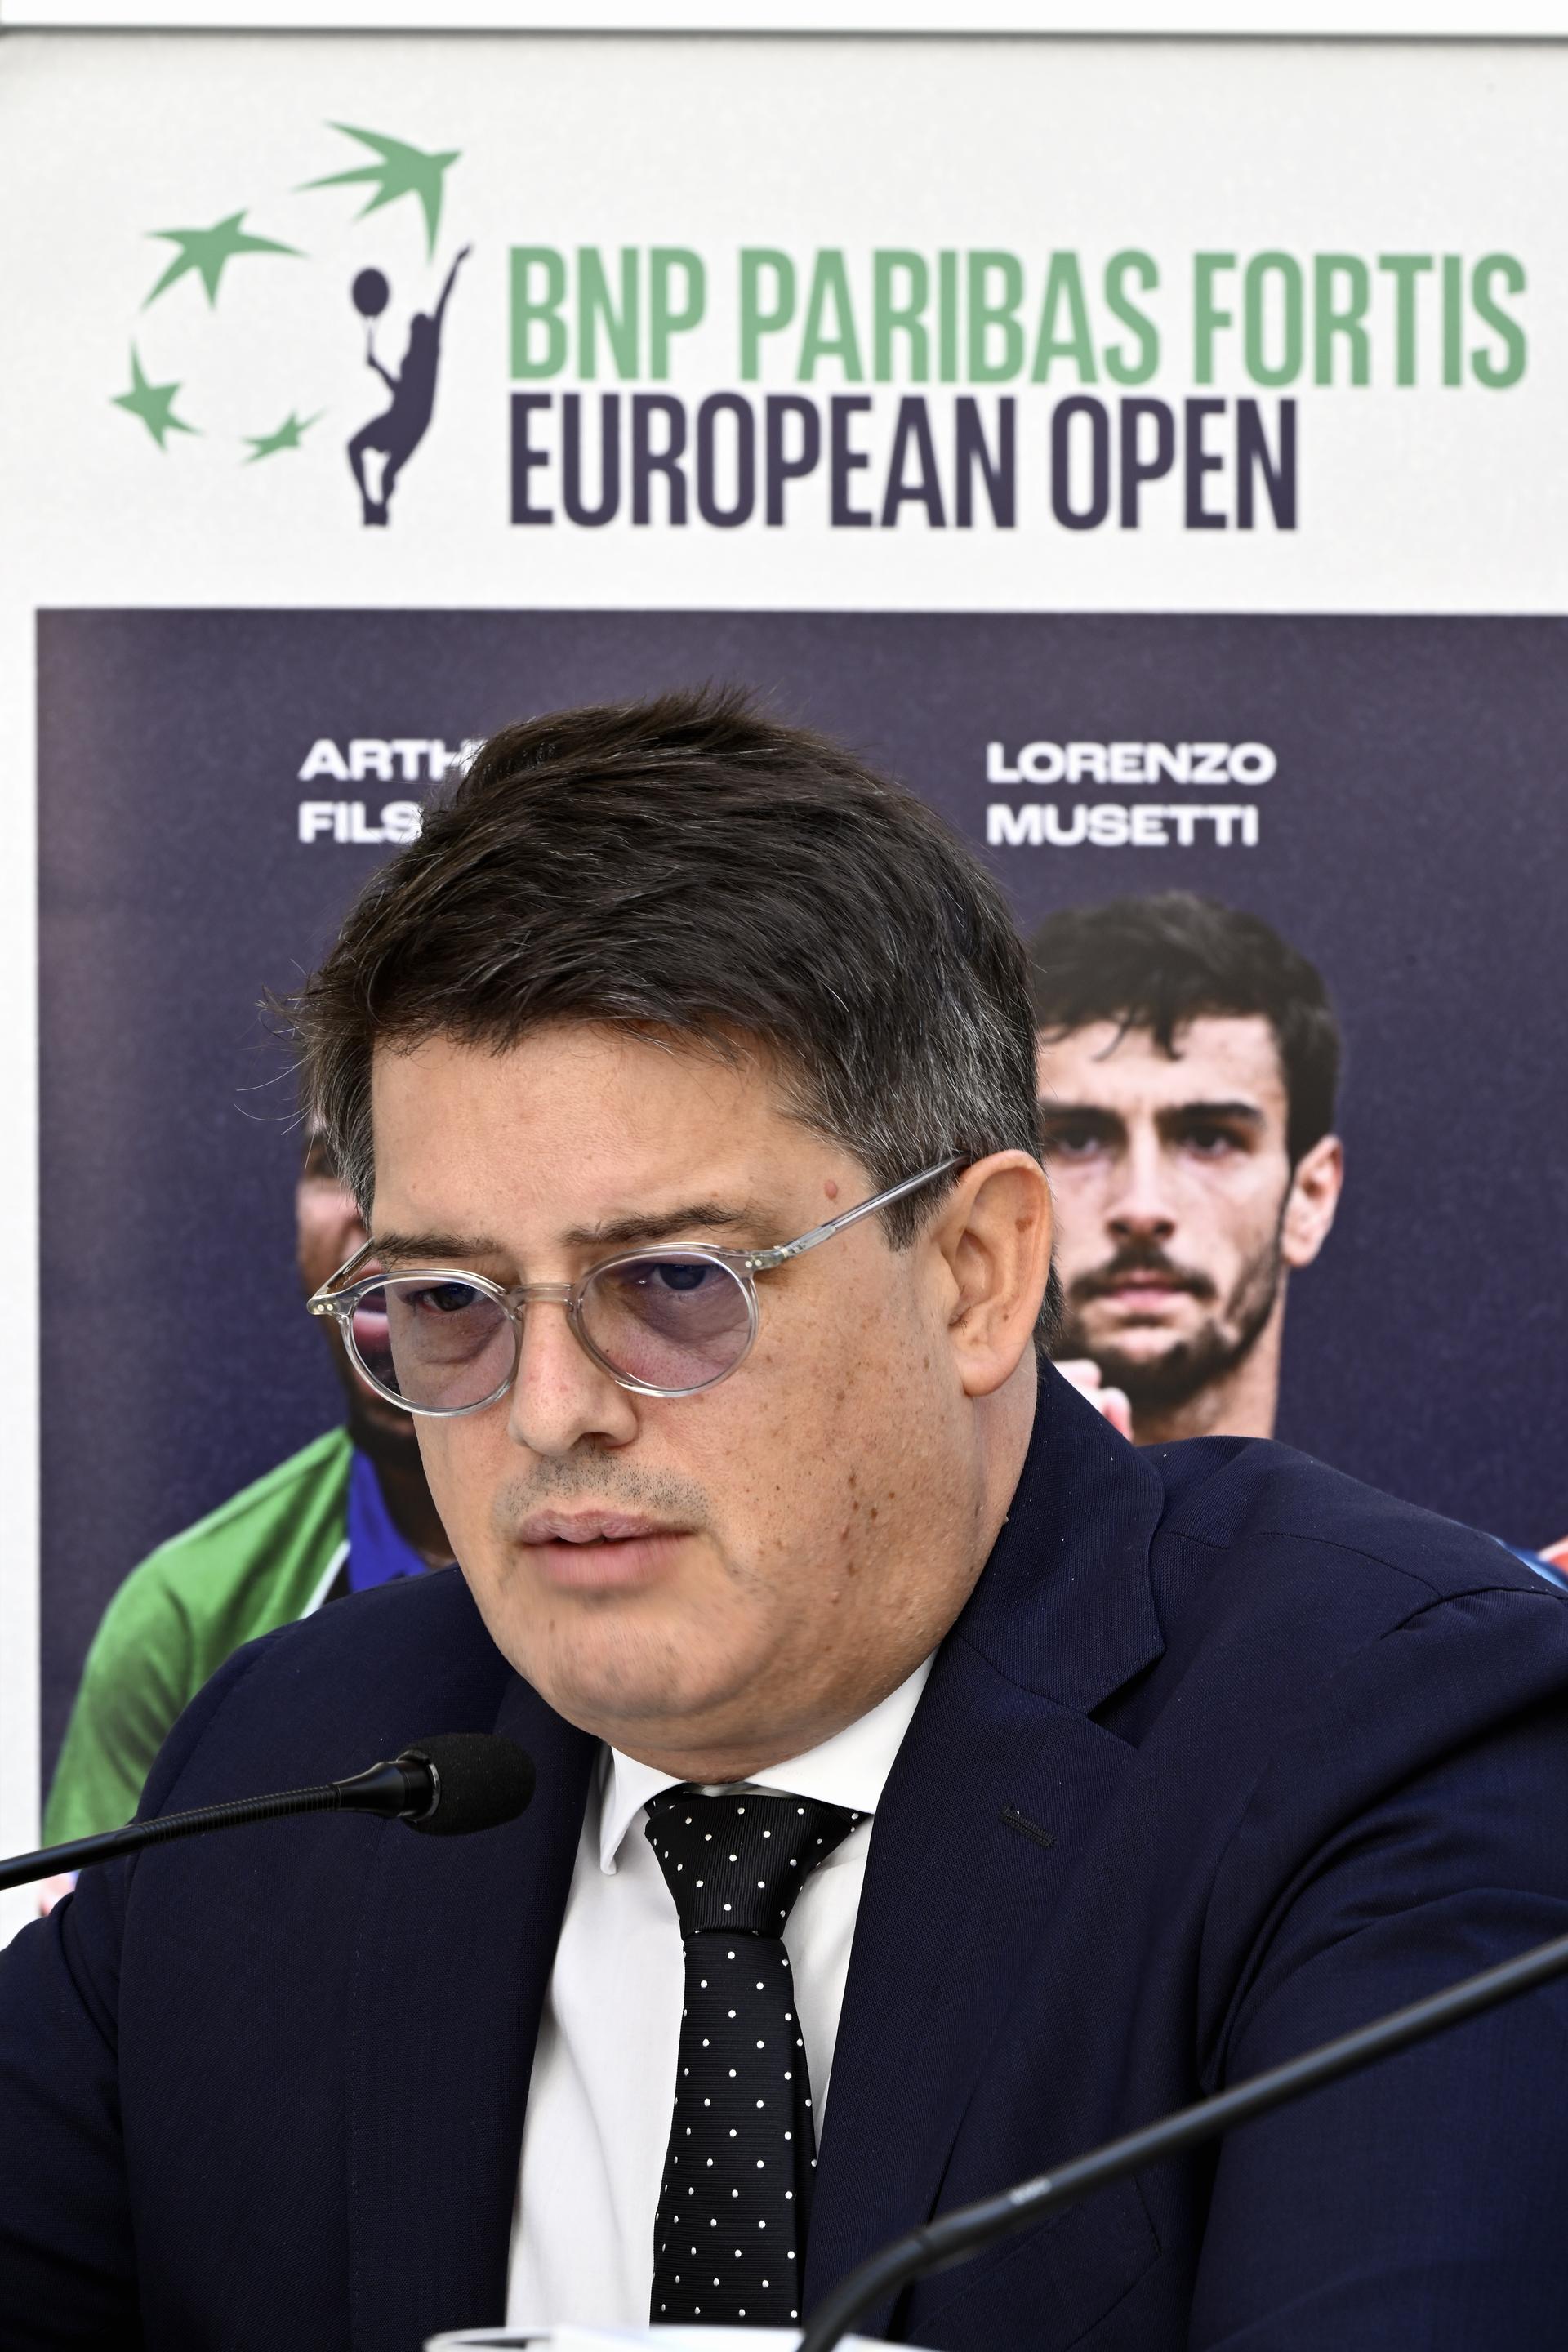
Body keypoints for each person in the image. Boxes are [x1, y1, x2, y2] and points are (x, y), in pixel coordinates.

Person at [2, 688, 1566, 2352]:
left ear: (977, 1276)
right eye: (451, 1299)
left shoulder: (1384, 1738)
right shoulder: (294, 1767)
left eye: (673, 1283)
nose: (547, 1413)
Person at [43, 1134, 450, 1845]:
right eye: (335, 1161)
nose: (377, 1212)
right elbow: (103, 1949)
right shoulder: (184, 1620)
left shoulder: (644, 1571)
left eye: (421, 1147)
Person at [1028, 893, 1343, 1446]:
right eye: (1076, 1141)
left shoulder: (1425, 1540)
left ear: (1309, 1199)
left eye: (1208, 1139)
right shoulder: (881, 1536)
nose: (1142, 1208)